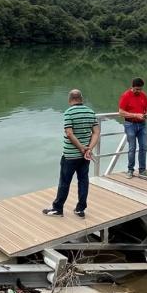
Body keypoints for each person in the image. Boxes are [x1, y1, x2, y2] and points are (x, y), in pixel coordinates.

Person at [43, 89, 100, 218]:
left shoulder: (69, 112)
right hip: (85, 156)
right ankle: (80, 209)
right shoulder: (90, 112)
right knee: (83, 181)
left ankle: (58, 209)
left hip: (70, 156)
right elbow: (96, 132)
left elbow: (69, 133)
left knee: (64, 182)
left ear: (70, 100)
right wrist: (89, 149)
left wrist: (81, 148)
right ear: (82, 99)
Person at [117, 77, 147, 178]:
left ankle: (142, 170)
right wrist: (136, 115)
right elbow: (121, 112)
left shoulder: (143, 95)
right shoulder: (126, 95)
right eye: (136, 89)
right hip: (130, 124)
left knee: (143, 147)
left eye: (140, 89)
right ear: (132, 87)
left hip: (142, 125)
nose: (138, 91)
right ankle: (130, 170)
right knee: (132, 148)